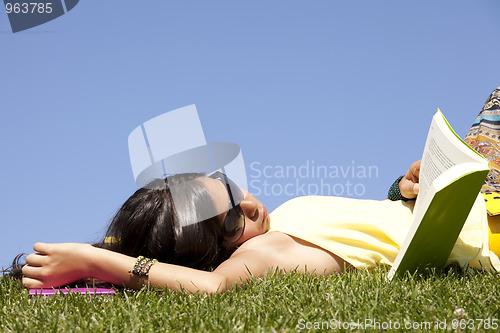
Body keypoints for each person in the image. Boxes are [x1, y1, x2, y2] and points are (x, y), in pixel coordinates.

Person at [16, 88, 500, 294]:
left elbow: (368, 232)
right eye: (232, 220)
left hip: (475, 193)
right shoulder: (262, 252)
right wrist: (96, 261)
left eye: (229, 187)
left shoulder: (277, 224)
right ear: (208, 250)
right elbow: (213, 288)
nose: (250, 205)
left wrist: (403, 189)